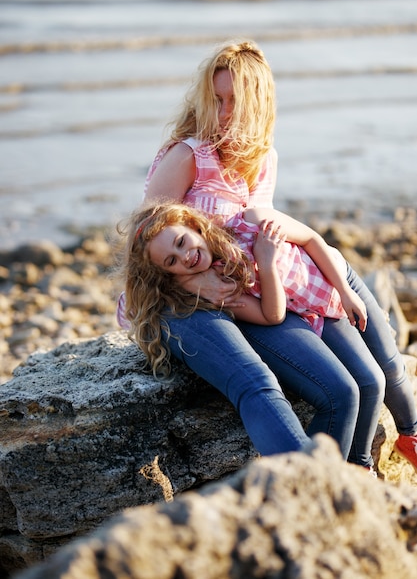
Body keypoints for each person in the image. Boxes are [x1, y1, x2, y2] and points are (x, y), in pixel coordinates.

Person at [117, 39, 417, 470]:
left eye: (233, 102)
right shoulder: (188, 156)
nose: (222, 114)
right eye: (215, 99)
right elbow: (150, 240)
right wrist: (192, 280)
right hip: (189, 294)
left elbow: (265, 229)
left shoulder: (262, 159)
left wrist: (283, 269)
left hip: (259, 288)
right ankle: (311, 486)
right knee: (266, 383)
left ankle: (356, 474)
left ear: (257, 103)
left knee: (366, 379)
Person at [118, 200, 417, 472]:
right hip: (309, 315)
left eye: (182, 241)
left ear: (193, 225)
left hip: (333, 295)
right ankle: (351, 472)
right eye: (172, 261)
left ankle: (376, 455)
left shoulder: (249, 222)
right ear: (168, 274)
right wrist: (267, 262)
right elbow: (273, 315)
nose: (185, 256)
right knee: (354, 388)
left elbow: (312, 239)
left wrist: (345, 290)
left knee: (380, 377)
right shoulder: (215, 286)